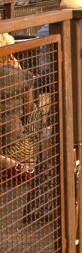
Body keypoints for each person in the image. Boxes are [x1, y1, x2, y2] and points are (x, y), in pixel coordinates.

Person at [1, 36, 37, 181]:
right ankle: (21, 168)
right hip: (15, 144)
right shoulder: (22, 76)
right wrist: (19, 71)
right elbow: (28, 109)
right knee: (35, 110)